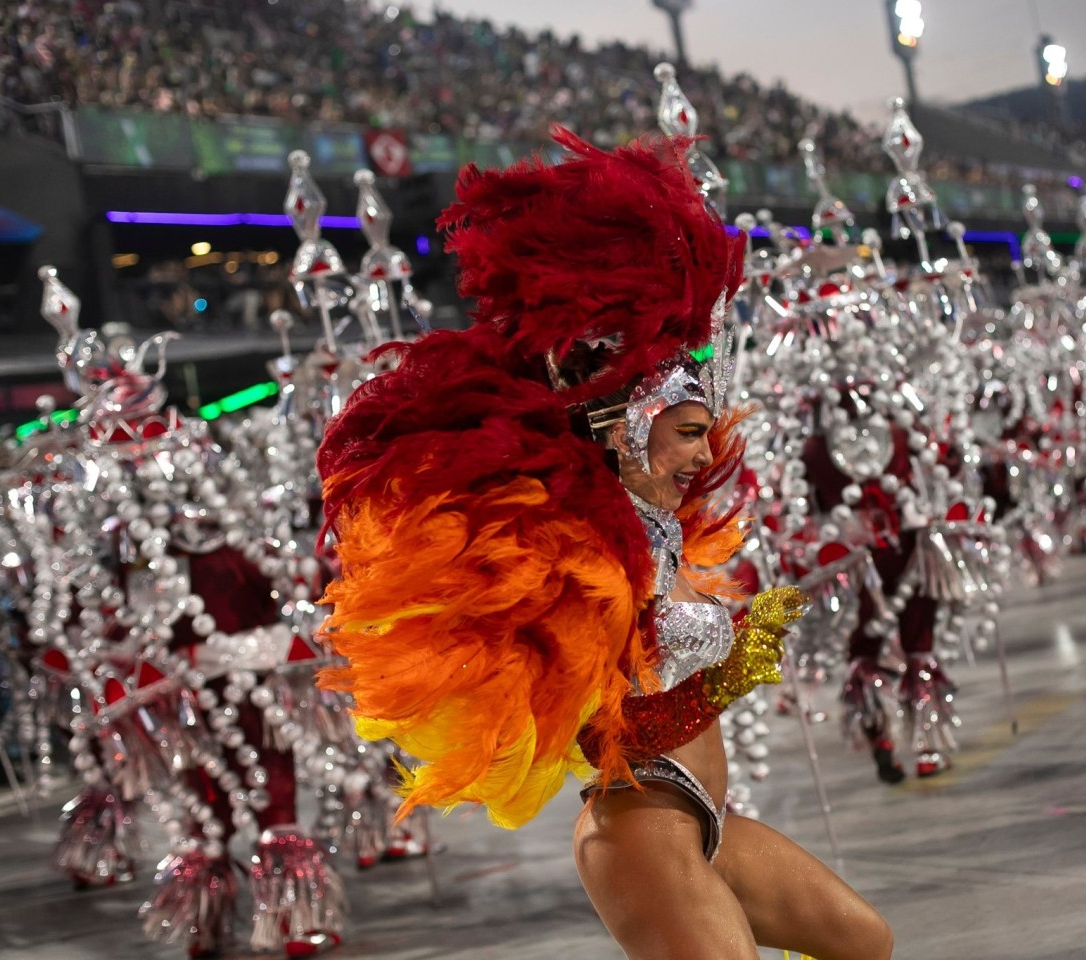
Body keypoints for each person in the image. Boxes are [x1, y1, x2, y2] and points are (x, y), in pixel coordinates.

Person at [315, 128, 892, 960]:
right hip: (639, 825)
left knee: (862, 940)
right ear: (628, 433)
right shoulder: (579, 550)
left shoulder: (660, 538)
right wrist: (733, 656)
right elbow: (608, 708)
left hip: (706, 818)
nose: (705, 455)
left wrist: (744, 651)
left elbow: (666, 668)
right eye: (690, 434)